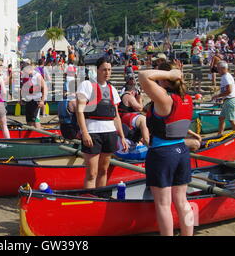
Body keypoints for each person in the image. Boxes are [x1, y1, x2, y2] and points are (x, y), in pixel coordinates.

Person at [138, 61, 194, 236]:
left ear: (164, 78)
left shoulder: (164, 98)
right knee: (182, 201)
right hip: (182, 152)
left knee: (163, 204)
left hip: (162, 155)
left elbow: (142, 75)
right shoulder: (187, 98)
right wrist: (174, 74)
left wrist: (169, 74)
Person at [76, 57, 128, 189]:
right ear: (97, 70)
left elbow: (116, 116)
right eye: (104, 69)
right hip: (93, 133)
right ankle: (89, 199)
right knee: (91, 173)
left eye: (109, 70)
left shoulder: (112, 90)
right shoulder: (87, 85)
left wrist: (122, 136)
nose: (107, 72)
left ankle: (100, 196)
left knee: (103, 171)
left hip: (109, 133)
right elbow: (79, 111)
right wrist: (85, 133)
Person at [211, 61, 235, 136]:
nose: (217, 70)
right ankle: (219, 134)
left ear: (223, 68)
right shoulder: (225, 76)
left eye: (218, 68)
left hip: (230, 100)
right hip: (228, 100)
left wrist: (218, 96)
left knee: (232, 120)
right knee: (221, 118)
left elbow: (229, 90)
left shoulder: (226, 76)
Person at [21, 62, 48, 129]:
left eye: (24, 70)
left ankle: (39, 133)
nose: (23, 72)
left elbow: (44, 88)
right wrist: (21, 98)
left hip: (36, 100)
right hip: (28, 100)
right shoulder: (26, 76)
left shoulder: (37, 75)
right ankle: (31, 135)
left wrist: (42, 100)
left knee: (35, 120)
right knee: (29, 120)